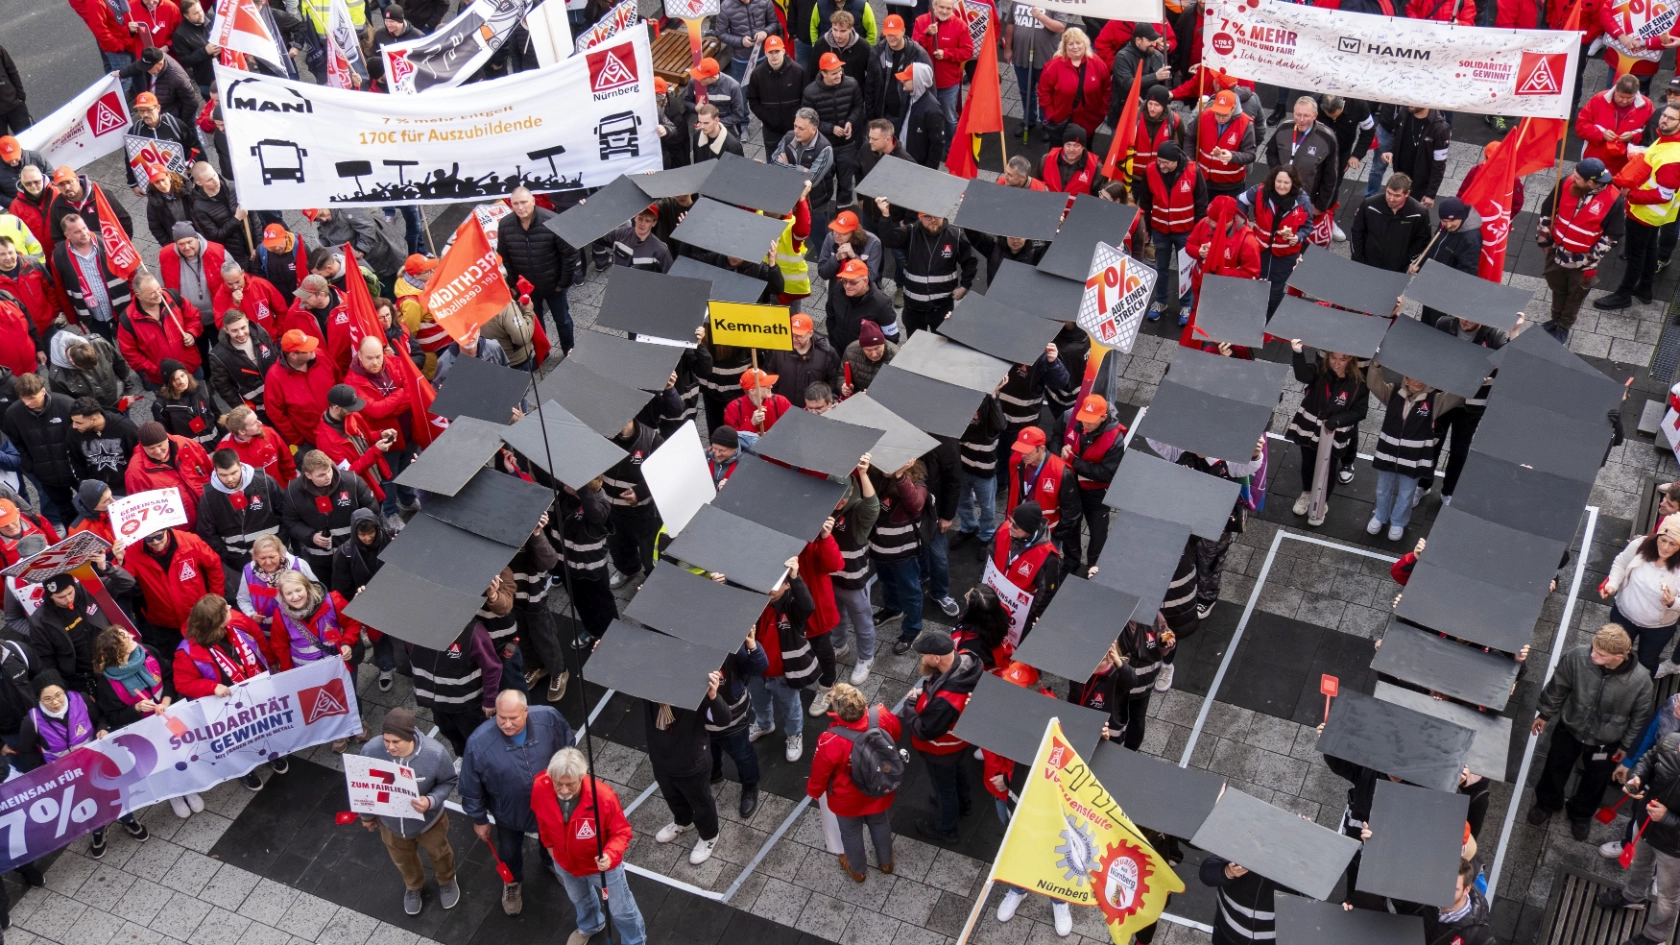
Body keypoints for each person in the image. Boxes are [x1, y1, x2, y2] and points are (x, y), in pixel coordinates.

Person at [1529, 624, 1654, 840]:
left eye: (1601, 654)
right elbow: (1558, 686)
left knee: (1596, 780)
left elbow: (1639, 718)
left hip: (1607, 741)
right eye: (1594, 649)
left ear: (1620, 656)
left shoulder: (1641, 681)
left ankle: (1581, 813)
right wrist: (1545, 714)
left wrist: (1626, 746)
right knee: (1555, 767)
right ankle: (1547, 802)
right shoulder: (1577, 656)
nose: (1593, 655)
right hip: (1570, 727)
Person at [460, 690, 577, 916]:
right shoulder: (478, 743)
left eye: (513, 718)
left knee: (553, 839)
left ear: (526, 711)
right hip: (508, 812)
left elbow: (568, 749)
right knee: (508, 849)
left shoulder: (549, 718)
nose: (506, 724)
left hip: (551, 806)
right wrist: (479, 819)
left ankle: (552, 862)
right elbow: (470, 785)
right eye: (501, 717)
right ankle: (512, 882)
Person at [17, 674, 148, 857]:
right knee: (87, 802)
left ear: (64, 691)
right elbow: (26, 750)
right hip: (66, 773)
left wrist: (102, 728)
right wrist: (45, 772)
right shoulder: (31, 721)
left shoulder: (81, 699)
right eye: (47, 699)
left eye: (58, 695)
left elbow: (101, 718)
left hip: (95, 761)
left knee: (113, 792)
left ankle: (128, 819)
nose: (55, 702)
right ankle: (98, 830)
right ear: (39, 699)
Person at [90, 625, 206, 819]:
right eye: (125, 637)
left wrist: (167, 700)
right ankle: (174, 794)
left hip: (169, 718)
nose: (131, 635)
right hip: (145, 731)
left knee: (181, 754)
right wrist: (135, 709)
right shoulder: (106, 684)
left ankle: (188, 787)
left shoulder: (148, 652)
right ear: (117, 652)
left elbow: (169, 677)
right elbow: (113, 716)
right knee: (160, 762)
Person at [533, 747, 646, 945]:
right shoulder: (540, 787)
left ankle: (635, 941)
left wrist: (609, 855)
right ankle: (591, 925)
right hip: (565, 863)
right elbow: (541, 817)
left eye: (570, 784)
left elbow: (621, 832)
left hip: (603, 868)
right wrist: (549, 846)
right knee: (579, 898)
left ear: (582, 777)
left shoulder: (603, 797)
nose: (564, 790)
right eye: (558, 783)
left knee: (621, 910)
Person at [354, 707, 460, 915]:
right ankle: (413, 886)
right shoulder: (371, 750)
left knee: (439, 853)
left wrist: (430, 801)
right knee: (402, 859)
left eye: (396, 742)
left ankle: (447, 880)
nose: (390, 747)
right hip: (390, 823)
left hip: (429, 822)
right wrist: (366, 816)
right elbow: (363, 784)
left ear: (410, 736)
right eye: (386, 740)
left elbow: (448, 781)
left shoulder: (435, 754)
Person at [174, 595, 279, 789]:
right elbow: (183, 684)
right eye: (226, 610)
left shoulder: (235, 623)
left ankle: (271, 753)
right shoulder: (186, 652)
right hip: (225, 705)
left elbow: (258, 639)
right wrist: (211, 687)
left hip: (253, 691)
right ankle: (245, 770)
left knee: (263, 725)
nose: (231, 609)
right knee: (238, 738)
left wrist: (271, 662)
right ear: (216, 621)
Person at [807, 681, 902, 881]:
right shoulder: (882, 715)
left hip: (846, 798)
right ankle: (886, 862)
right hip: (879, 788)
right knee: (880, 823)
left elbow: (820, 773)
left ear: (837, 712)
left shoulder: (830, 739)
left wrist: (814, 791)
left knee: (850, 833)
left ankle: (858, 871)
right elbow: (895, 733)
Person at [899, 630, 981, 843]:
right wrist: (925, 692)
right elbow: (938, 685)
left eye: (924, 655)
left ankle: (946, 828)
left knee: (944, 789)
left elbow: (924, 730)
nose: (922, 658)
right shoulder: (965, 663)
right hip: (957, 745)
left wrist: (909, 706)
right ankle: (964, 803)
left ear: (936, 658)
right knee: (957, 771)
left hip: (940, 749)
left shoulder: (945, 701)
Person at [1363, 363, 1457, 541]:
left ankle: (1398, 522)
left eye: (1424, 378)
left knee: (1406, 494)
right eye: (1414, 376)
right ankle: (1380, 516)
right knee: (1382, 489)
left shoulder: (1435, 400)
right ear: (1405, 376)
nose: (1418, 381)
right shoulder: (1392, 392)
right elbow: (1373, 384)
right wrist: (1375, 366)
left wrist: (1474, 379)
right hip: (1388, 453)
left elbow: (1457, 397)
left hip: (1414, 459)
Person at [1536, 159, 1624, 341]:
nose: (1572, 179)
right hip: (1556, 252)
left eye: (1577, 178)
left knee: (1575, 295)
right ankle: (1555, 319)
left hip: (1583, 260)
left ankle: (1564, 326)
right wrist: (1544, 241)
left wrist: (1592, 259)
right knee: (1557, 288)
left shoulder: (1614, 200)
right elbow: (1547, 210)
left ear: (1589, 182)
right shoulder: (1566, 182)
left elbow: (1612, 236)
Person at [1284, 342, 1367, 526]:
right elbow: (1302, 375)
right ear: (1328, 356)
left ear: (1350, 360)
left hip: (1334, 434)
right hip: (1309, 428)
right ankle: (1307, 493)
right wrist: (1297, 352)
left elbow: (1360, 411)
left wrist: (1336, 421)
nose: (1337, 363)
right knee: (1308, 463)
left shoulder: (1358, 383)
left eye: (1342, 359)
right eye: (1333, 358)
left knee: (1329, 468)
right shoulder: (1319, 370)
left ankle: (1322, 502)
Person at [497, 187, 579, 356]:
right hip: (527, 288)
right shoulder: (505, 225)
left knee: (562, 320)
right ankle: (543, 352)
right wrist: (514, 283)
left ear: (533, 201)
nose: (520, 207)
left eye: (524, 202)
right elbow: (504, 256)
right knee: (534, 322)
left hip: (553, 285)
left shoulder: (552, 221)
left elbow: (569, 254)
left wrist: (562, 283)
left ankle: (569, 350)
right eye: (515, 203)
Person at [409, 612, 502, 758]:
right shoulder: (414, 626)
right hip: (437, 705)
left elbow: (492, 668)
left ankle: (487, 764)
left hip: (468, 707)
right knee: (451, 734)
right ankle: (464, 757)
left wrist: (490, 700)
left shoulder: (472, 632)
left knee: (480, 740)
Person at [283, 449, 380, 578]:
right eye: (321, 475)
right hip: (320, 558)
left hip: (355, 551)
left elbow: (372, 511)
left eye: (329, 470)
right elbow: (290, 521)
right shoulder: (293, 491)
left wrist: (364, 536)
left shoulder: (351, 481)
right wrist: (311, 536)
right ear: (308, 475)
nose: (328, 476)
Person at [1602, 517, 1680, 677]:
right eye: (1663, 540)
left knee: (1647, 663)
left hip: (1658, 628)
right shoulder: (1640, 545)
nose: (1665, 547)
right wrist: (1613, 584)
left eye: (1673, 544)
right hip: (1623, 615)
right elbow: (1621, 563)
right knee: (1614, 652)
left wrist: (1673, 602)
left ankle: (1637, 688)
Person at [879, 210, 975, 336]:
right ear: (920, 217)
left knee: (942, 344)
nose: (933, 220)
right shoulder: (910, 232)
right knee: (915, 345)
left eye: (936, 216)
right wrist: (885, 215)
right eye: (927, 217)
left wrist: (964, 286)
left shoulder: (955, 235)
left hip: (942, 306)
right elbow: (888, 240)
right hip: (913, 307)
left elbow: (970, 261)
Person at [1138, 143, 1206, 318]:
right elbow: (1145, 201)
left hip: (1186, 232)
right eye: (1159, 161)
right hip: (1160, 229)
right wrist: (1146, 229)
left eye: (1166, 163)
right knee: (1160, 267)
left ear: (1176, 160)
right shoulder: (1150, 171)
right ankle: (1160, 301)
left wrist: (1198, 232)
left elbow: (1201, 204)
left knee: (1186, 269)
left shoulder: (1193, 172)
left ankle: (1186, 305)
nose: (1161, 166)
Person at [1059, 395, 1123, 574]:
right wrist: (1059, 452)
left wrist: (1074, 461)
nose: (1085, 424)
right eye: (1083, 419)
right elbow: (1056, 436)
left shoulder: (1115, 439)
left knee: (1098, 533)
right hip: (1071, 487)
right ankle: (1071, 562)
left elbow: (1107, 473)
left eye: (1091, 421)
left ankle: (1093, 566)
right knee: (1070, 526)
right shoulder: (1070, 417)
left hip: (1097, 493)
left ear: (1103, 418)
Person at [2, 374, 76, 525]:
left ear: (43, 391)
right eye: (24, 399)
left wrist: (78, 462)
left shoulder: (66, 405)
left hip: (74, 469)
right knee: (64, 511)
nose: (28, 403)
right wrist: (31, 466)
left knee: (90, 504)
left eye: (32, 398)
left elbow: (80, 435)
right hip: (46, 474)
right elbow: (16, 444)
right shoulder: (13, 414)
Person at [1238, 165, 1313, 314]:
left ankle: (1268, 319)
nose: (1281, 186)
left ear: (1293, 183)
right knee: (1254, 283)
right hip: (1258, 249)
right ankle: (1250, 315)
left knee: (1275, 291)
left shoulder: (1302, 200)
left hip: (1285, 255)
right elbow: (1240, 201)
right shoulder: (1260, 191)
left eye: (1286, 183)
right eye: (1279, 181)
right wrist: (1242, 223)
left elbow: (1307, 226)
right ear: (1273, 180)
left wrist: (1298, 237)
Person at [119, 272, 203, 390]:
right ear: (139, 295)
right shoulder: (128, 320)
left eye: (158, 288)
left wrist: (191, 333)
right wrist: (155, 369)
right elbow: (130, 353)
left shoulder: (172, 297)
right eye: (152, 293)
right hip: (162, 379)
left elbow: (193, 316)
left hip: (190, 368)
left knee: (202, 396)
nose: (158, 293)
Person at [52, 214, 132, 337]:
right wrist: (72, 317)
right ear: (67, 235)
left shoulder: (107, 242)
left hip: (120, 307)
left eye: (84, 228)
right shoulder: (59, 256)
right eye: (77, 232)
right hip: (91, 316)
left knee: (129, 340)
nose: (84, 233)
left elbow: (130, 271)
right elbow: (61, 289)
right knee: (102, 345)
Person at [126, 420, 212, 527]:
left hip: (210, 514)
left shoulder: (188, 445)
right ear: (142, 446)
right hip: (181, 528)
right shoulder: (136, 472)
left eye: (160, 445)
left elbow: (210, 470)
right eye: (151, 448)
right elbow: (141, 510)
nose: (158, 451)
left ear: (167, 438)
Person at [264, 330, 333, 452]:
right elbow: (276, 414)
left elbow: (339, 382)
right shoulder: (274, 377)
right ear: (293, 355)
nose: (313, 349)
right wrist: (297, 440)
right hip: (313, 441)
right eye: (307, 349)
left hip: (341, 428)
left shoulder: (321, 356)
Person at [1350, 174, 1432, 274]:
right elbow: (1357, 232)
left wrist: (1410, 261)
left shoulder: (1419, 213)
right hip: (1369, 263)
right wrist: (1358, 259)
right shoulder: (1369, 205)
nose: (1391, 199)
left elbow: (1423, 240)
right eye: (1389, 193)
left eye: (1397, 195)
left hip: (1398, 268)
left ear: (1407, 193)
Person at [1201, 855, 1287, 945]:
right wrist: (1226, 872)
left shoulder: (1290, 868)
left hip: (1266, 940)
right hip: (1227, 934)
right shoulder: (1239, 851)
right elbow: (1206, 872)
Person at [747, 36, 808, 153]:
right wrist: (768, 118)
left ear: (783, 51)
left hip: (794, 127)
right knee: (772, 159)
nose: (774, 55)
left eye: (777, 51)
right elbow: (753, 100)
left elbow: (805, 98)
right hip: (771, 129)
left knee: (796, 157)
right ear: (765, 53)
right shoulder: (757, 74)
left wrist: (797, 119)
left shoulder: (798, 71)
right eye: (770, 52)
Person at [1194, 90, 1257, 201]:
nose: (1220, 118)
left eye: (1224, 115)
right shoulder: (1204, 115)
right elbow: (1190, 138)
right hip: (1203, 180)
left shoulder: (1246, 124)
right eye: (1217, 114)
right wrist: (1191, 161)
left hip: (1231, 185)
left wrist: (1232, 157)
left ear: (1233, 109)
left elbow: (1250, 155)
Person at [151, 358, 219, 451]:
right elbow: (167, 437)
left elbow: (217, 414)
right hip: (191, 452)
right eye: (175, 380)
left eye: (182, 375)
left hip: (216, 444)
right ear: (168, 384)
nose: (181, 381)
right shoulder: (161, 407)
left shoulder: (202, 389)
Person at [216, 404, 293, 484]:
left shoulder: (269, 433)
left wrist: (290, 483)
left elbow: (286, 460)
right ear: (242, 431)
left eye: (257, 419)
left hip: (280, 486)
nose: (260, 423)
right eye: (253, 423)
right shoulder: (224, 451)